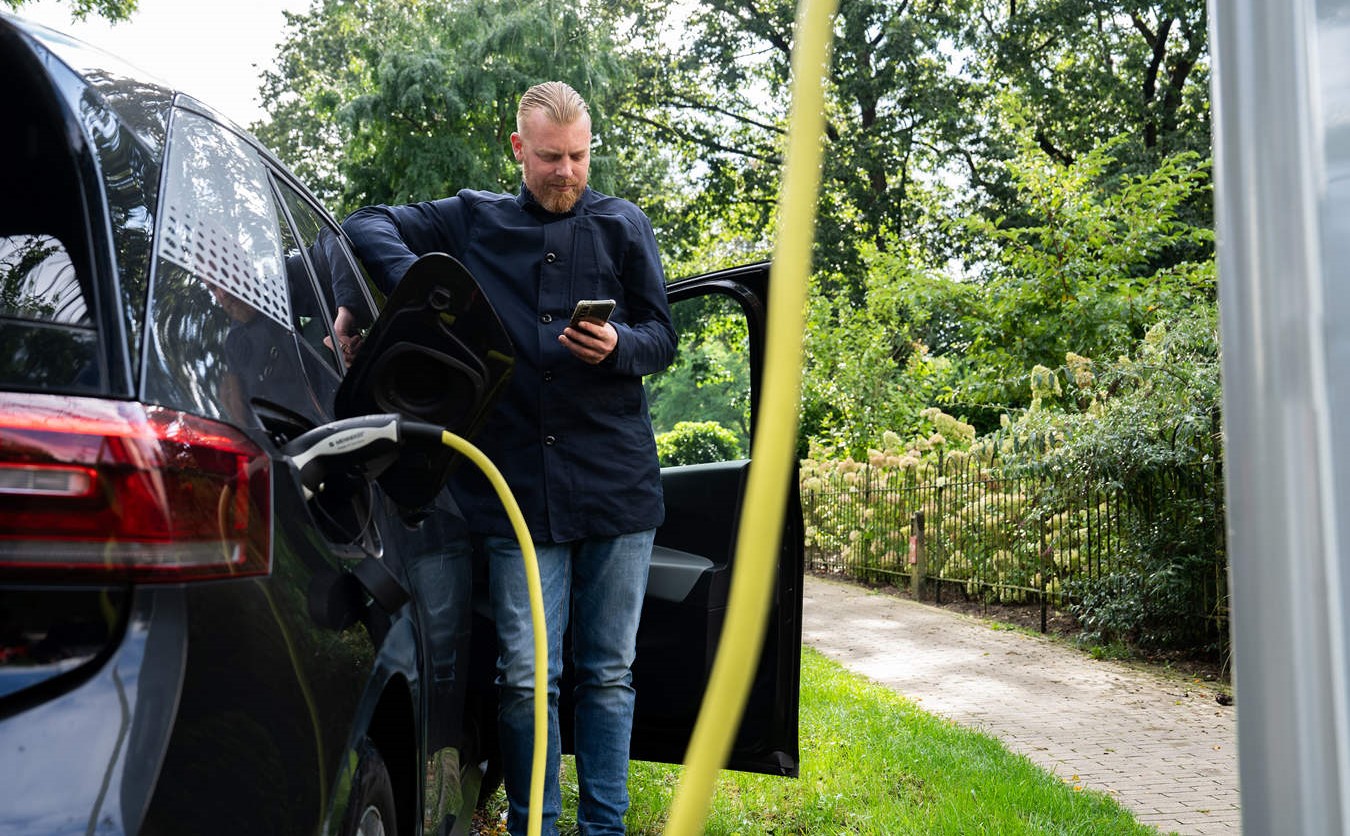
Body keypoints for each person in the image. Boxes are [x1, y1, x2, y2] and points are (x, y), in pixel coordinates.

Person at [338, 81, 677, 836]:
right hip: (516, 491)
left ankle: (604, 829)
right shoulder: (473, 218)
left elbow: (663, 334)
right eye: (552, 157)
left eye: (580, 156)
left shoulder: (624, 226)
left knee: (609, 676)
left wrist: (621, 345)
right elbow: (361, 225)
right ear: (519, 149)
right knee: (526, 681)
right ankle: (535, 827)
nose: (567, 172)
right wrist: (412, 299)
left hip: (618, 489)